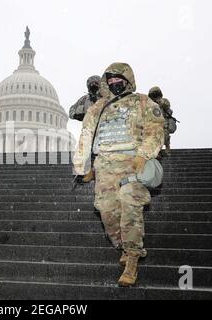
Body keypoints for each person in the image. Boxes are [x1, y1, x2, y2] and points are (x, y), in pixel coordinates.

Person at [73, 63, 164, 286]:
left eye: (118, 80)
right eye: (110, 81)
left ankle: (132, 258)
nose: (114, 84)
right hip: (104, 167)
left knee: (130, 207)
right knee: (106, 211)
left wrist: (143, 155)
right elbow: (86, 134)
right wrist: (81, 167)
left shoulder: (143, 102)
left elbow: (155, 132)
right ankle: (122, 246)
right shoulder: (98, 107)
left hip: (133, 164)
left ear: (127, 80)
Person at [69, 75, 102, 183]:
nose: (93, 85)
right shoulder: (84, 99)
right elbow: (71, 111)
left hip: (102, 129)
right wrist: (78, 114)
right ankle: (81, 173)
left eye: (96, 83)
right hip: (88, 129)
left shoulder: (106, 97)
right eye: (91, 83)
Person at [148, 86, 174, 154]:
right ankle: (158, 151)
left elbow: (167, 105)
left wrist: (159, 102)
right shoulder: (149, 102)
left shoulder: (164, 100)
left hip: (164, 122)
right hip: (154, 123)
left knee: (165, 137)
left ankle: (167, 148)